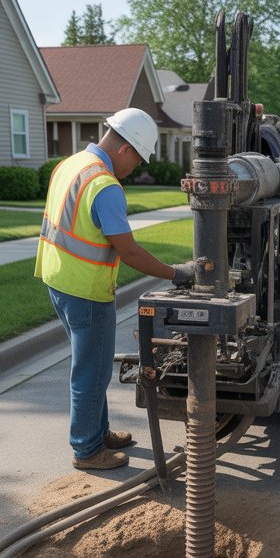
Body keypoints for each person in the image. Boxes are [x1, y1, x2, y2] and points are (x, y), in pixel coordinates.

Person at [35, 108, 195, 470]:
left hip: (57, 280)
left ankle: (97, 432)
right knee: (91, 372)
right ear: (126, 148)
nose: (136, 167)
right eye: (138, 159)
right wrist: (176, 273)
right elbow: (129, 251)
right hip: (87, 291)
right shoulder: (104, 185)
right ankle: (87, 450)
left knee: (92, 366)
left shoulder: (70, 165)